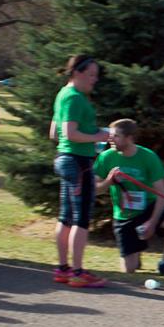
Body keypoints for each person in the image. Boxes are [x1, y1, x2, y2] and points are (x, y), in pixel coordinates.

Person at [49, 55, 110, 288]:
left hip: (67, 159)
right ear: (77, 73)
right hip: (78, 162)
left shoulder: (63, 95)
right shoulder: (74, 97)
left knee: (66, 217)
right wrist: (99, 136)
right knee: (81, 218)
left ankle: (63, 269)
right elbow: (70, 132)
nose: (95, 80)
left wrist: (90, 135)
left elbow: (54, 133)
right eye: (91, 75)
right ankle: (77, 271)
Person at [93, 118, 164, 275]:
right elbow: (95, 189)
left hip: (148, 207)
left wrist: (152, 223)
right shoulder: (106, 157)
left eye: (116, 136)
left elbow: (162, 194)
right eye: (110, 135)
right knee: (129, 270)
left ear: (129, 138)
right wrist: (108, 181)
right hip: (124, 215)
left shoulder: (148, 157)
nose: (110, 139)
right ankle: (136, 252)